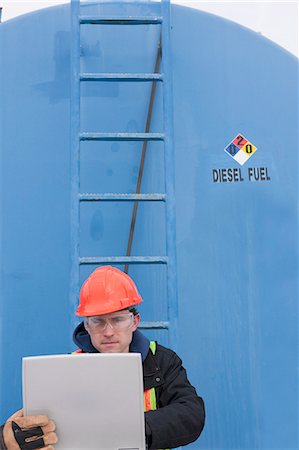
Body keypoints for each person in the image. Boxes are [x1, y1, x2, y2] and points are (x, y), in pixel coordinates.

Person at [0, 266, 205, 449]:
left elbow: (191, 414)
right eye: (98, 322)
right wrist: (5, 441)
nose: (108, 332)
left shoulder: (162, 361)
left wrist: (133, 429)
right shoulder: (67, 368)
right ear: (86, 326)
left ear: (134, 322)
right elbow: (32, 422)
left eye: (117, 320)